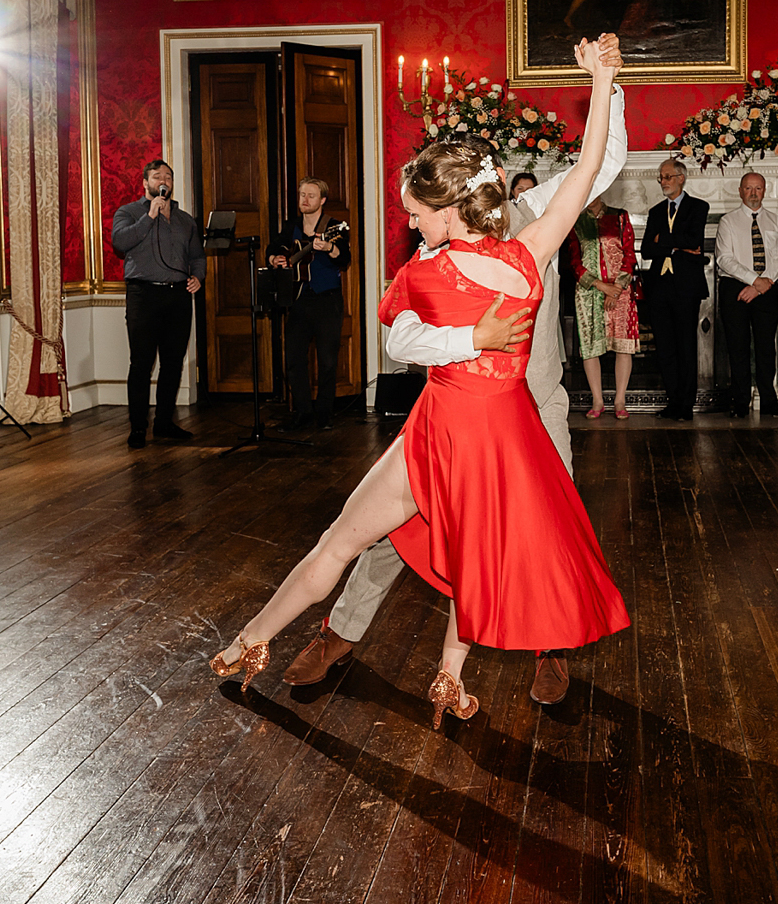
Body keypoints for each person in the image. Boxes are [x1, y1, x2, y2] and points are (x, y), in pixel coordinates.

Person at [210, 42, 629, 727]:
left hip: (485, 421)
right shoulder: (529, 250)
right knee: (470, 551)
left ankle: (251, 639)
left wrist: (608, 83)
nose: (409, 223)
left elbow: (396, 338)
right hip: (487, 432)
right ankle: (437, 670)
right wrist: (602, 78)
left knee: (415, 543)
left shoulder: (439, 265)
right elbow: (589, 164)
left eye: (414, 211)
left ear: (451, 201)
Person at [110, 160, 206, 448]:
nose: (163, 179)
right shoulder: (128, 212)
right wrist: (150, 216)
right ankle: (138, 427)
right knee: (141, 364)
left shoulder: (185, 219)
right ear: (145, 183)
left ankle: (164, 423)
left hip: (177, 296)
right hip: (144, 295)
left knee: (173, 363)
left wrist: (198, 276)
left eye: (167, 176)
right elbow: (120, 242)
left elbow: (197, 256)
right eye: (157, 176)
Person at [269, 176, 352, 430]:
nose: (305, 200)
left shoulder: (336, 227)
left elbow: (345, 258)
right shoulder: (291, 226)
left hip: (327, 300)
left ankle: (324, 413)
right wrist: (275, 259)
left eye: (311, 196)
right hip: (298, 300)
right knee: (294, 358)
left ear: (322, 200)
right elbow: (274, 248)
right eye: (302, 195)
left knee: (327, 361)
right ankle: (303, 412)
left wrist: (329, 248)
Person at [714, 171, 778, 417]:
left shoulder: (775, 221)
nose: (753, 193)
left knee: (766, 346)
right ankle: (740, 402)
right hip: (735, 288)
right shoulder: (728, 221)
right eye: (748, 188)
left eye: (758, 188)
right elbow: (724, 258)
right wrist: (753, 280)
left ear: (765, 191)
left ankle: (769, 401)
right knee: (737, 347)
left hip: (767, 287)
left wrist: (761, 284)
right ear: (740, 191)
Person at [641, 158, 709, 420]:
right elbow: (647, 249)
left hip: (686, 288)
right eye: (661, 177)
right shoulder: (656, 212)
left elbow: (695, 240)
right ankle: (672, 401)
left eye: (668, 176)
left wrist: (664, 241)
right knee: (665, 347)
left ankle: (686, 405)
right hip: (659, 287)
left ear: (681, 178)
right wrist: (677, 246)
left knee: (686, 346)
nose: (663, 182)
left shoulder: (698, 207)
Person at [570, 193, 639, 419]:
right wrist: (601, 286)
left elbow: (629, 254)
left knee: (622, 346)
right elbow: (574, 262)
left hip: (620, 289)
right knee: (591, 347)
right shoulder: (575, 220)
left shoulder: (619, 217)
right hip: (589, 291)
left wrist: (616, 288)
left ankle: (620, 400)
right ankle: (597, 400)